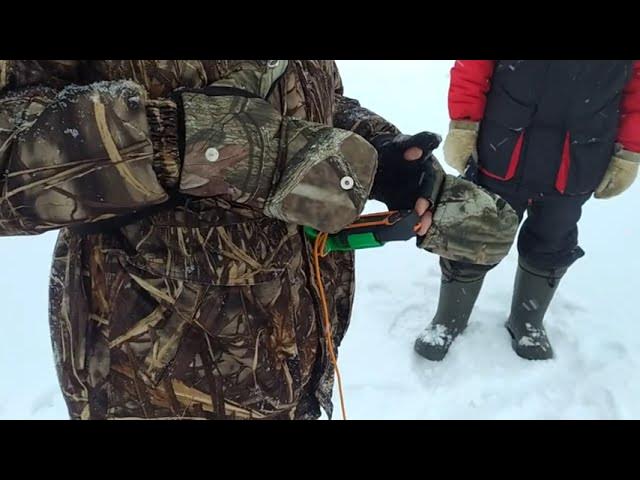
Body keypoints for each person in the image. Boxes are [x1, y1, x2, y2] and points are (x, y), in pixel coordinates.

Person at [0, 59, 449, 420]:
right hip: (156, 376)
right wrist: (196, 143)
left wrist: (369, 148)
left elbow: (300, 92)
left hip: (294, 353)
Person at [414, 60, 640, 362]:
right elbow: (473, 66)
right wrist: (464, 123)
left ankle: (527, 321)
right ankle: (449, 320)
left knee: (552, 242)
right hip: (503, 146)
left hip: (580, 155)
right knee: (472, 233)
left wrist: (629, 151)